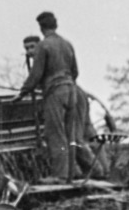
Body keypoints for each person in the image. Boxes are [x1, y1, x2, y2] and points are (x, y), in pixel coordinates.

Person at [17, 11, 83, 182]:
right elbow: (75, 71)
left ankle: (60, 175)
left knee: (55, 133)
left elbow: (36, 74)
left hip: (55, 91)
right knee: (71, 133)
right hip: (71, 90)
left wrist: (23, 92)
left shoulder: (43, 46)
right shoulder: (68, 44)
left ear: (41, 27)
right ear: (56, 25)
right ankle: (73, 173)